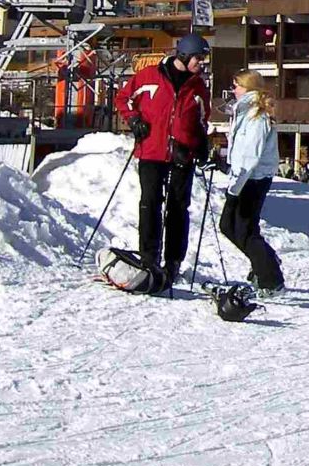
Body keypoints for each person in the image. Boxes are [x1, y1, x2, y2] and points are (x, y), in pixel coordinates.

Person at [114, 34, 212, 296]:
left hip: (182, 156)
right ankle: (149, 257)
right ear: (183, 55)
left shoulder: (198, 87)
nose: (200, 64)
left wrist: (199, 145)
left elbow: (202, 120)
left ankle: (173, 261)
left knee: (179, 208)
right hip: (151, 151)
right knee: (150, 204)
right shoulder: (148, 77)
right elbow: (123, 99)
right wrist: (134, 121)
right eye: (198, 58)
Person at [218, 72, 285, 295]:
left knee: (242, 230)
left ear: (247, 88)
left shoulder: (256, 117)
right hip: (244, 177)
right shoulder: (245, 111)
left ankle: (270, 279)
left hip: (252, 180)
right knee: (230, 227)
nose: (233, 89)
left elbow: (250, 156)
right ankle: (263, 262)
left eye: (236, 85)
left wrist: (234, 188)